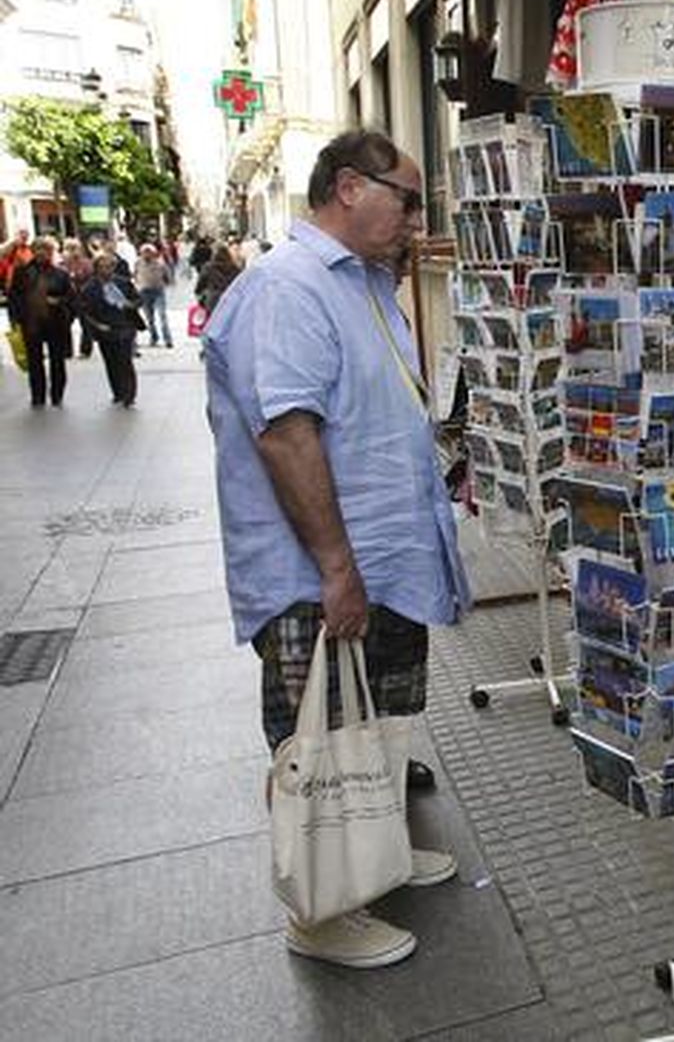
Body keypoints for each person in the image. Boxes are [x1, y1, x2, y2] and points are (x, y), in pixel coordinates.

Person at [204, 129, 468, 969]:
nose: (417, 219)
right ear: (350, 188)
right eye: (409, 199)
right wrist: (336, 570)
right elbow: (287, 435)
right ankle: (320, 910)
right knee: (313, 733)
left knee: (377, 718)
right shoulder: (289, 287)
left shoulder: (361, 282)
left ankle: (375, 854)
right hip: (319, 575)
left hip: (381, 559)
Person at [8, 236, 75, 407]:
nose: (41, 253)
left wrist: (59, 302)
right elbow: (14, 297)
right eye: (37, 249)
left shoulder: (61, 274)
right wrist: (15, 319)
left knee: (57, 362)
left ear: (51, 252)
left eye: (45, 249)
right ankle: (38, 396)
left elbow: (72, 298)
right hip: (31, 323)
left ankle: (57, 395)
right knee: (34, 362)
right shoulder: (22, 272)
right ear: (32, 251)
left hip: (55, 323)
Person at [77, 253, 142, 406]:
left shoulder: (124, 283)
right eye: (103, 267)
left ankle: (129, 395)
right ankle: (118, 392)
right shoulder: (89, 288)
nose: (108, 270)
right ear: (97, 269)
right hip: (105, 328)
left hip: (125, 325)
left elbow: (138, 299)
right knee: (111, 361)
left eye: (111, 266)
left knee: (125, 361)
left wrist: (132, 305)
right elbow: (84, 311)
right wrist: (96, 325)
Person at [61, 238, 96, 357]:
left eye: (74, 248)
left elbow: (91, 278)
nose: (72, 252)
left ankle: (85, 350)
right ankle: (66, 351)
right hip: (67, 298)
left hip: (82, 298)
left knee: (86, 325)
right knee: (64, 324)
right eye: (69, 249)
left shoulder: (87, 263)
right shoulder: (62, 264)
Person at [133, 242, 173, 347]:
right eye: (144, 252)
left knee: (162, 316)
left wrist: (163, 283)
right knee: (149, 318)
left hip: (158, 292)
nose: (146, 255)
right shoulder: (138, 263)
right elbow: (135, 275)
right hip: (144, 292)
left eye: (149, 252)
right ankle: (154, 337)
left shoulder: (160, 264)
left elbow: (168, 278)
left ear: (154, 253)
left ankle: (168, 340)